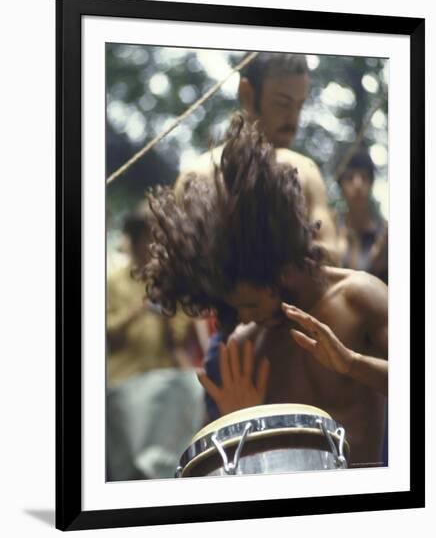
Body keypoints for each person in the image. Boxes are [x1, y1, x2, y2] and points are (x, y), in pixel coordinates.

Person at [143, 114, 388, 468]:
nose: (242, 317)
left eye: (249, 303)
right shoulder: (244, 347)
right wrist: (238, 422)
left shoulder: (359, 298)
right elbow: (222, 476)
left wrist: (352, 364)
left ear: (280, 270)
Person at [175, 52, 339, 263]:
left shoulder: (305, 172)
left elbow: (332, 256)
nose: (293, 119)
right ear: (247, 94)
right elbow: (180, 266)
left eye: (300, 105)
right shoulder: (198, 175)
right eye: (282, 103)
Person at [106, 206, 205, 480]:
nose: (152, 247)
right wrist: (137, 311)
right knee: (127, 469)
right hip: (124, 383)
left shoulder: (170, 281)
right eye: (147, 239)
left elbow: (180, 335)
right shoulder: (112, 282)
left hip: (164, 383)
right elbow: (105, 331)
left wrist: (165, 313)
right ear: (134, 241)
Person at [336, 148, 388, 284]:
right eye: (349, 177)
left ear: (371, 183)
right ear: (340, 185)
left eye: (364, 177)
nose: (358, 184)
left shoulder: (385, 232)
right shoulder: (331, 229)